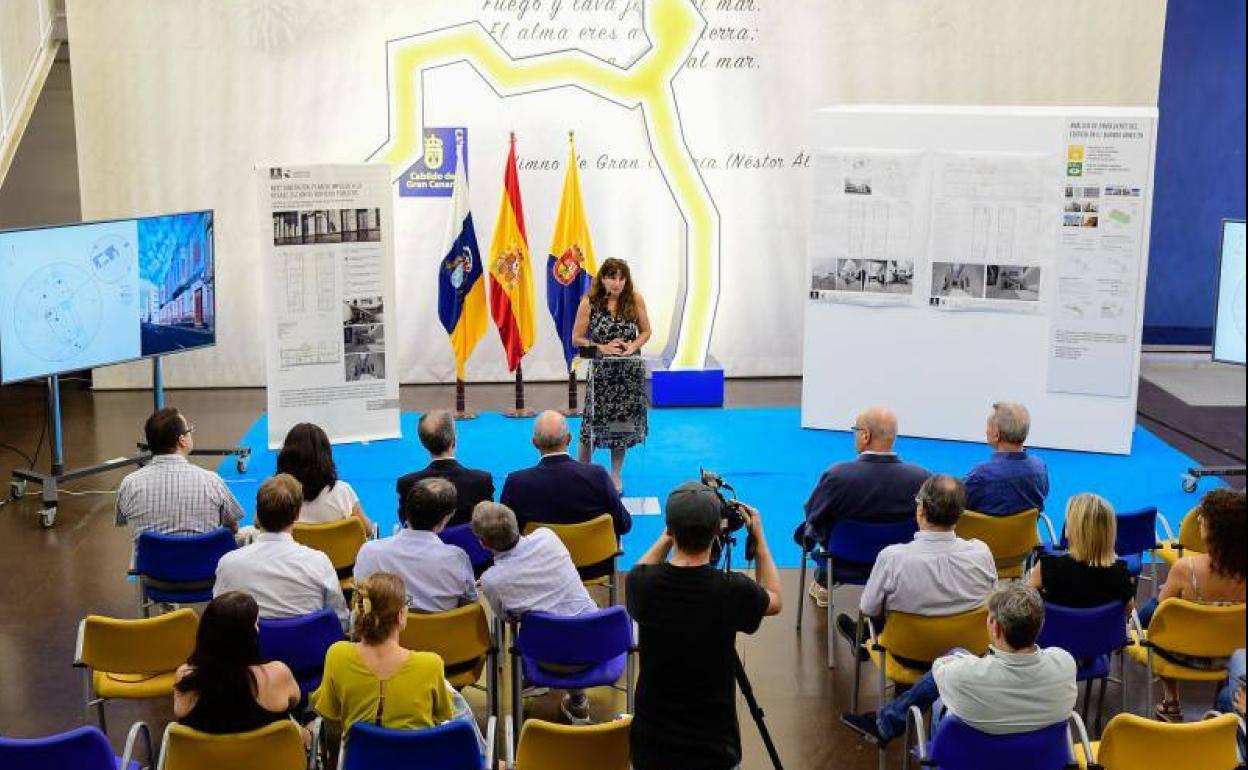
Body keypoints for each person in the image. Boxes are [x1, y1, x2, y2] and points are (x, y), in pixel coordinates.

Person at [626, 482, 782, 770]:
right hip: (714, 748)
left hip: (653, 747)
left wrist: (669, 536)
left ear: (670, 530)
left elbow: (639, 569)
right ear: (717, 531)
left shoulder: (642, 585)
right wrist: (758, 539)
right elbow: (774, 599)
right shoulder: (732, 590)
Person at [841, 583, 1077, 746]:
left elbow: (942, 670)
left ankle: (886, 725)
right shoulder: (1064, 664)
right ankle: (885, 724)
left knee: (943, 689)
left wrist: (962, 660)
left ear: (995, 627)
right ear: (1040, 625)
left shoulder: (962, 675)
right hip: (1037, 762)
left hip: (971, 761)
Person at [312, 573, 486, 765]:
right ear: (401, 615)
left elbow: (331, 717)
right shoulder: (430, 665)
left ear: (359, 612)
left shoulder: (337, 656)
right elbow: (442, 718)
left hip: (361, 762)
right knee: (455, 701)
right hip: (420, 764)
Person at [836, 474, 997, 657]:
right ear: (960, 514)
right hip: (969, 654)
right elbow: (990, 597)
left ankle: (864, 639)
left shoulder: (892, 558)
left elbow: (868, 608)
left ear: (921, 510)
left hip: (906, 656)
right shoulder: (982, 552)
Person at [472, 501, 599, 724]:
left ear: (483, 543)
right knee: (568, 631)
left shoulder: (492, 580)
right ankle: (578, 701)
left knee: (534, 633)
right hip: (598, 644)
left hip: (547, 658)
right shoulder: (547, 537)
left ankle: (534, 682)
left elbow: (506, 617)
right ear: (517, 525)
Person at [796, 406, 931, 607]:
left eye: (855, 430)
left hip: (844, 562)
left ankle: (824, 580)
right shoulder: (921, 477)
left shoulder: (837, 476)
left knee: (818, 526)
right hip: (901, 564)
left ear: (865, 435)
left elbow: (813, 514)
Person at [1138, 488, 1246, 721]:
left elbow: (1159, 610)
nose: (1198, 519)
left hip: (1181, 654)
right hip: (1229, 655)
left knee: (1156, 619)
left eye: (1204, 517)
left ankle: (1171, 700)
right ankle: (1220, 695)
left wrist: (1135, 620)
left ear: (1215, 530)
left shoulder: (1186, 569)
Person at [213, 473, 349, 630]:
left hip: (249, 650)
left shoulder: (228, 564)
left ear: (257, 513)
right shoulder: (319, 563)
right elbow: (340, 621)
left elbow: (219, 618)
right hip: (307, 651)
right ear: (297, 514)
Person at [571, 257, 651, 493]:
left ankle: (616, 474)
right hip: (602, 376)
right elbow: (576, 338)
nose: (617, 283)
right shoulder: (589, 302)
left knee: (621, 427)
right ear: (602, 279)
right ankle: (581, 473)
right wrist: (601, 347)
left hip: (629, 375)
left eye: (621, 278)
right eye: (612, 277)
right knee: (591, 426)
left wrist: (633, 345)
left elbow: (646, 331)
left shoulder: (635, 299)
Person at [173, 591, 303, 735]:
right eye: (256, 624)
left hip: (207, 757)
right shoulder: (278, 674)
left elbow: (180, 713)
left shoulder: (185, 676)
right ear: (249, 636)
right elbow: (295, 702)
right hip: (267, 756)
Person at [116, 407, 244, 540]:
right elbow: (233, 528)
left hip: (150, 560)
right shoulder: (212, 481)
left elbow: (124, 521)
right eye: (189, 430)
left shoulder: (129, 484)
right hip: (201, 560)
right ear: (182, 440)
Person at [499, 410, 631, 536]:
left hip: (541, 558)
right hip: (593, 557)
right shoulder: (598, 476)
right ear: (569, 439)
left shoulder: (516, 483)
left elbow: (506, 533)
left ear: (535, 443)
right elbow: (624, 524)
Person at [354, 478, 477, 613]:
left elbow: (361, 602)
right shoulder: (456, 559)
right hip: (442, 633)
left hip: (385, 631)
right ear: (447, 517)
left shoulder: (370, 551)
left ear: (406, 511)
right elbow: (469, 604)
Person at [1027, 493, 1135, 608]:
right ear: (1110, 532)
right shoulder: (1121, 574)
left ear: (1072, 529)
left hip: (1060, 626)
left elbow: (1026, 602)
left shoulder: (1047, 567)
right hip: (1100, 626)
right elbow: (1128, 611)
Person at [396, 409, 494, 528]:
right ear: (454, 439)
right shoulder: (481, 481)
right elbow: (487, 523)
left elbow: (407, 524)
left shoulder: (407, 484)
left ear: (423, 443)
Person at [276, 422, 373, 533]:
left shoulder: (276, 494)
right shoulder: (342, 492)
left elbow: (258, 524)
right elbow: (368, 530)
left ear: (286, 456)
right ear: (325, 456)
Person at [962, 401, 1050, 516]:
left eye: (988, 426)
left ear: (996, 435)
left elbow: (953, 504)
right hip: (1023, 534)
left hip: (983, 534)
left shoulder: (981, 475)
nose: (985, 431)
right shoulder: (1040, 469)